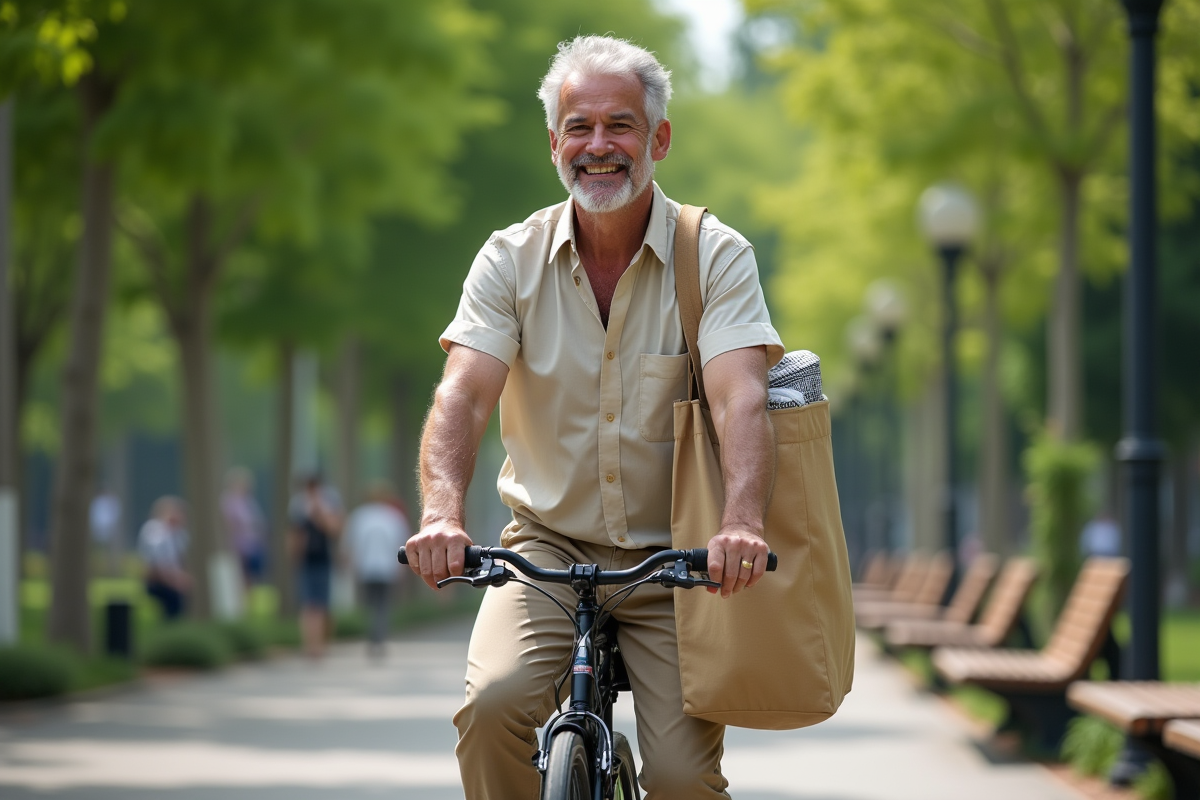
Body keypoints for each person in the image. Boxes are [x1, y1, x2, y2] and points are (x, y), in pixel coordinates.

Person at [404, 36, 782, 799]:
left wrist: (741, 522)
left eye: (621, 125)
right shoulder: (509, 259)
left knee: (681, 777)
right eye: (579, 127)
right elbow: (463, 394)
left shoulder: (714, 255)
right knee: (492, 707)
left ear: (659, 139)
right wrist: (442, 512)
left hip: (673, 563)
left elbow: (740, 394)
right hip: (543, 548)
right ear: (554, 144)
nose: (598, 146)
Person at [344, 481, 411, 657]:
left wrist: (351, 564)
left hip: (366, 568)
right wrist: (402, 568)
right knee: (383, 605)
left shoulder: (360, 516)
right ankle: (379, 637)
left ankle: (372, 635)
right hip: (387, 568)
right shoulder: (393, 517)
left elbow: (352, 543)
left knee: (370, 604)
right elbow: (401, 545)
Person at [289, 473, 343, 659]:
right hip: (306, 561)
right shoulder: (298, 506)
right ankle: (310, 646)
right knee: (309, 605)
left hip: (324, 559)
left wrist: (319, 512)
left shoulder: (329, 502)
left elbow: (334, 529)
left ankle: (321, 643)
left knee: (323, 606)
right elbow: (294, 534)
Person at [137, 496, 191, 621]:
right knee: (175, 599)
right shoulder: (155, 531)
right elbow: (157, 565)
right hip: (158, 582)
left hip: (172, 579)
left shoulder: (180, 534)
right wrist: (177, 582)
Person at [221, 467, 267, 588]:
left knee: (251, 576)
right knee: (240, 576)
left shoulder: (249, 501)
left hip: (252, 545)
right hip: (238, 546)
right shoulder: (229, 501)